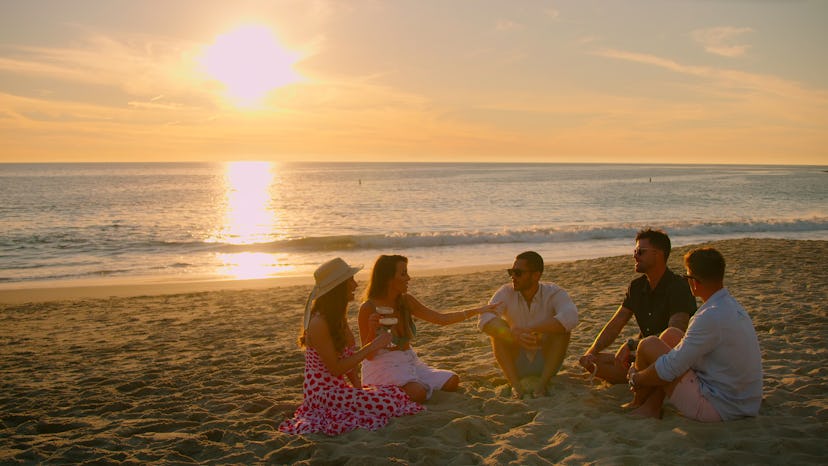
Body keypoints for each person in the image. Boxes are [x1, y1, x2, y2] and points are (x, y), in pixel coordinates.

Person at [279, 257, 423, 436]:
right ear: (338, 288)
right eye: (351, 280)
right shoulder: (320, 323)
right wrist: (372, 346)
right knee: (392, 401)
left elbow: (350, 367)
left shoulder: (337, 317)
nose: (356, 285)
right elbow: (336, 369)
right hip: (322, 396)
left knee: (393, 395)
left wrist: (358, 389)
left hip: (338, 390)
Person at [626, 247, 763, 421]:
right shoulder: (730, 306)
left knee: (648, 345)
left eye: (687, 276)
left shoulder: (710, 316)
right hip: (742, 400)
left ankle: (640, 402)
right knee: (671, 335)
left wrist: (636, 378)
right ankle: (650, 406)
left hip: (721, 407)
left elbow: (670, 368)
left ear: (694, 282)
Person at [358, 254, 501, 403]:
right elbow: (367, 355)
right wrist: (371, 329)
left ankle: (410, 385)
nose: (408, 278)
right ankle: (385, 391)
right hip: (383, 364)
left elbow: (441, 319)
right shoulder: (369, 308)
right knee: (418, 393)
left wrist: (478, 310)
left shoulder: (406, 301)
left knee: (452, 380)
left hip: (408, 360)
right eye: (403, 273)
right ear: (388, 278)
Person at [578, 229, 696, 384]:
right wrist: (591, 352)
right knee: (593, 362)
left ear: (658, 254)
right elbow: (616, 323)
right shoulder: (636, 286)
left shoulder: (678, 286)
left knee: (655, 358)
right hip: (640, 356)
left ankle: (641, 377)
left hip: (669, 358)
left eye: (641, 252)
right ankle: (637, 375)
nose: (635, 255)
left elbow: (675, 334)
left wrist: (632, 344)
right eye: (635, 251)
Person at [479, 251, 579, 398]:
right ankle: (516, 387)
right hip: (517, 361)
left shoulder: (553, 292)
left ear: (536, 275)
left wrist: (531, 329)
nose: (513, 276)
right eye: (511, 272)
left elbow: (571, 317)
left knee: (563, 332)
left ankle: (542, 386)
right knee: (497, 335)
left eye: (518, 272)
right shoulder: (506, 292)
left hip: (546, 362)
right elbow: (485, 318)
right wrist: (512, 333)